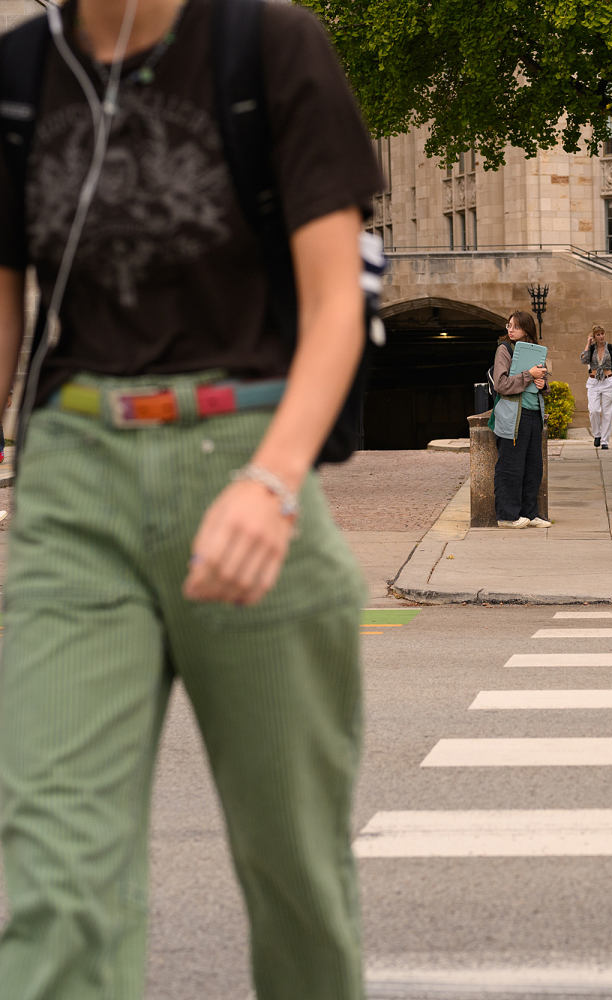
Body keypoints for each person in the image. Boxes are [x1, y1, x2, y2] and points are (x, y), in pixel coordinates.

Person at [0, 1, 383, 997]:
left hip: (249, 449)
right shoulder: (17, 73)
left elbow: (337, 301)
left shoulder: (269, 46)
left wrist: (273, 479)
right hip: (74, 469)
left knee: (295, 871)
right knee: (57, 877)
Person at [492, 309, 549, 527]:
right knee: (511, 467)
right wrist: (529, 375)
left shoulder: (534, 351)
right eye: (509, 326)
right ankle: (507, 516)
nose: (510, 330)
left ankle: (530, 513)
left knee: (533, 467)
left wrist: (542, 383)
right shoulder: (504, 349)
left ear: (527, 329)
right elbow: (501, 384)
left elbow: (541, 380)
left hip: (534, 414)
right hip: (513, 417)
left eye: (515, 326)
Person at [580, 323, 612, 449]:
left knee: (608, 412)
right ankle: (597, 434)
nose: (601, 336)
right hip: (593, 382)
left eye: (602, 333)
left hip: (608, 381)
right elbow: (583, 360)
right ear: (594, 336)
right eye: (598, 334)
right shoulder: (591, 349)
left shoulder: (611, 347)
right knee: (594, 410)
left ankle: (604, 441)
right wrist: (588, 343)